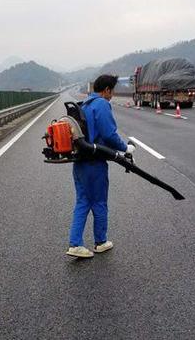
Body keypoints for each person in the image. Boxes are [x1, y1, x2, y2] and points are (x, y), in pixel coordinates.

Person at [66, 75, 135, 258]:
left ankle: (75, 244)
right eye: (111, 91)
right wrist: (125, 147)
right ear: (106, 90)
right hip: (94, 163)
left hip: (79, 162)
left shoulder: (84, 104)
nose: (111, 96)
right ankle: (101, 242)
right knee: (99, 202)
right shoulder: (102, 104)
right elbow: (109, 134)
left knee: (82, 202)